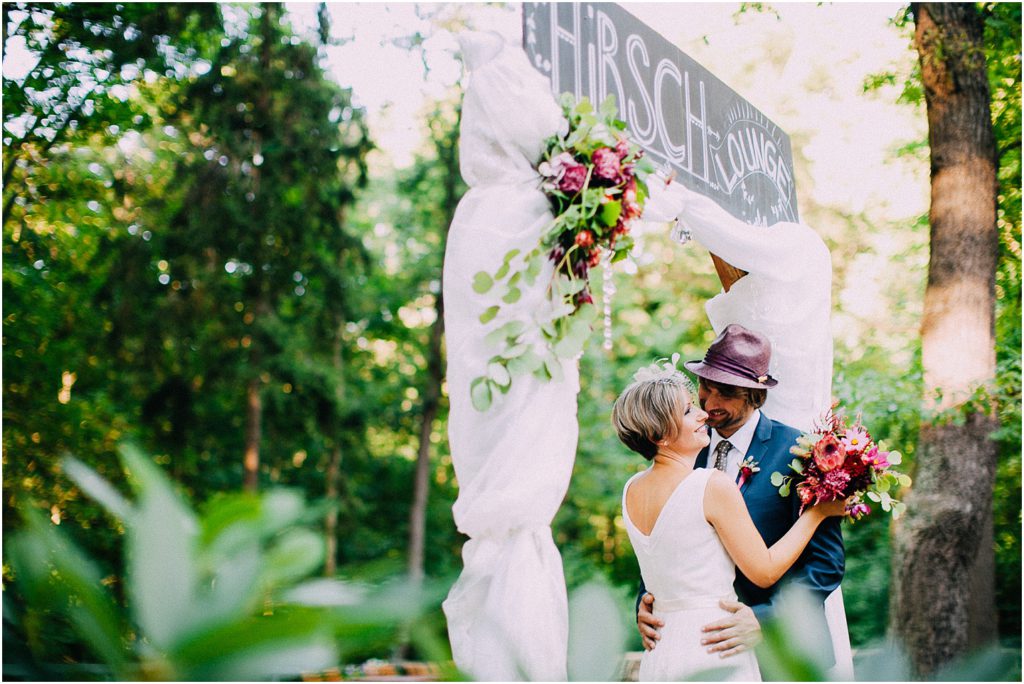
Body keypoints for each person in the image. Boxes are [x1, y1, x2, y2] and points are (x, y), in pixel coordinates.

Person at [615, 349, 846, 681]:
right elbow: (667, 552)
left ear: (753, 395)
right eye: (703, 390)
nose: (706, 408)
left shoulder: (802, 451)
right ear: (660, 434)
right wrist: (647, 602)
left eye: (724, 391)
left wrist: (766, 619)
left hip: (773, 649)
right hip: (707, 644)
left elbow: (826, 563)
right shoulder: (698, 465)